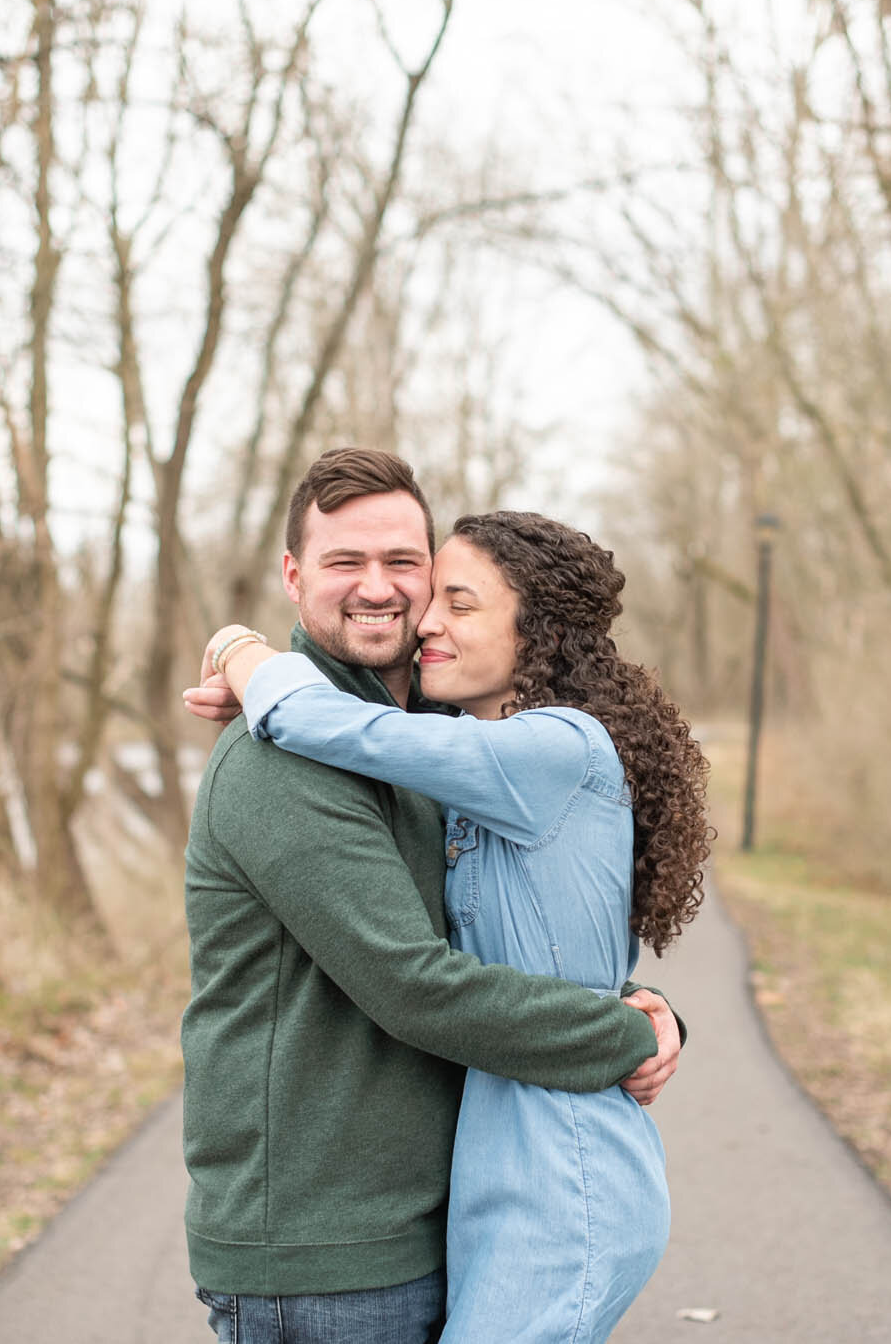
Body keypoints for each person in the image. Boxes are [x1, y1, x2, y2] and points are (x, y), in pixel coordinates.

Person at [179, 450, 683, 1344]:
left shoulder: (444, 744)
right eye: (344, 561)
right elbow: (416, 983)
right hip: (324, 1257)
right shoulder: (285, 762)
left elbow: (546, 931)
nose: (381, 588)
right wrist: (623, 1030)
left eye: (409, 567)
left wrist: (649, 1010)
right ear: (294, 578)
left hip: (454, 1218)